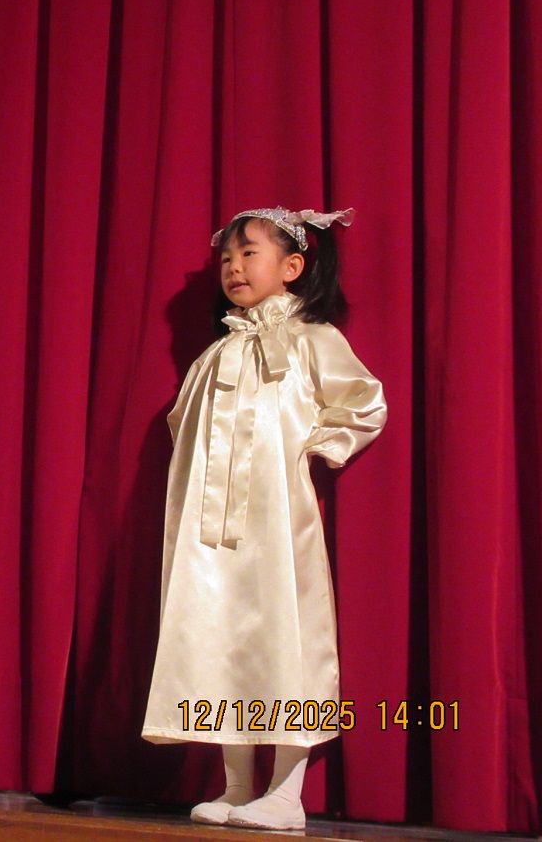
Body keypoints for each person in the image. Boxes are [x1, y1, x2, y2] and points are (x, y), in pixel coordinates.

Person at [141, 208, 387, 830]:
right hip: (209, 528)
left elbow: (364, 403)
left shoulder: (309, 340)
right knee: (217, 632)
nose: (234, 266)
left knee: (285, 634)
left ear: (292, 266)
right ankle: (237, 783)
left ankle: (286, 790)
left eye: (249, 253)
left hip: (277, 520)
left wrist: (312, 449)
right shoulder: (217, 353)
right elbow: (184, 424)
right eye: (226, 257)